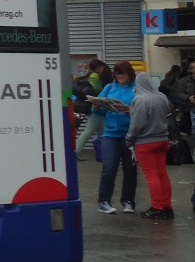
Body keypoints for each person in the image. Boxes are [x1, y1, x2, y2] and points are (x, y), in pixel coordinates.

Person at [126, 72, 175, 219]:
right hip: (162, 140)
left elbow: (137, 125)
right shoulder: (162, 98)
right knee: (162, 174)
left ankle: (157, 207)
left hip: (145, 142)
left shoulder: (140, 100)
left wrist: (129, 139)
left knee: (151, 176)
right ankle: (167, 206)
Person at [95, 60, 138, 214]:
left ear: (130, 74)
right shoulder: (109, 87)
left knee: (130, 169)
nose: (120, 76)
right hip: (110, 134)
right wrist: (97, 107)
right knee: (109, 166)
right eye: (117, 73)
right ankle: (104, 201)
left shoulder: (136, 89)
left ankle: (128, 200)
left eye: (123, 73)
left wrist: (130, 111)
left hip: (130, 135)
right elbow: (97, 112)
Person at [74, 60, 111, 161]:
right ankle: (76, 151)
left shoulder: (89, 74)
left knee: (101, 131)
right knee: (90, 130)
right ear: (99, 66)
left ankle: (105, 153)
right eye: (102, 66)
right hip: (95, 106)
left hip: (96, 106)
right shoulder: (95, 75)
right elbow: (95, 90)